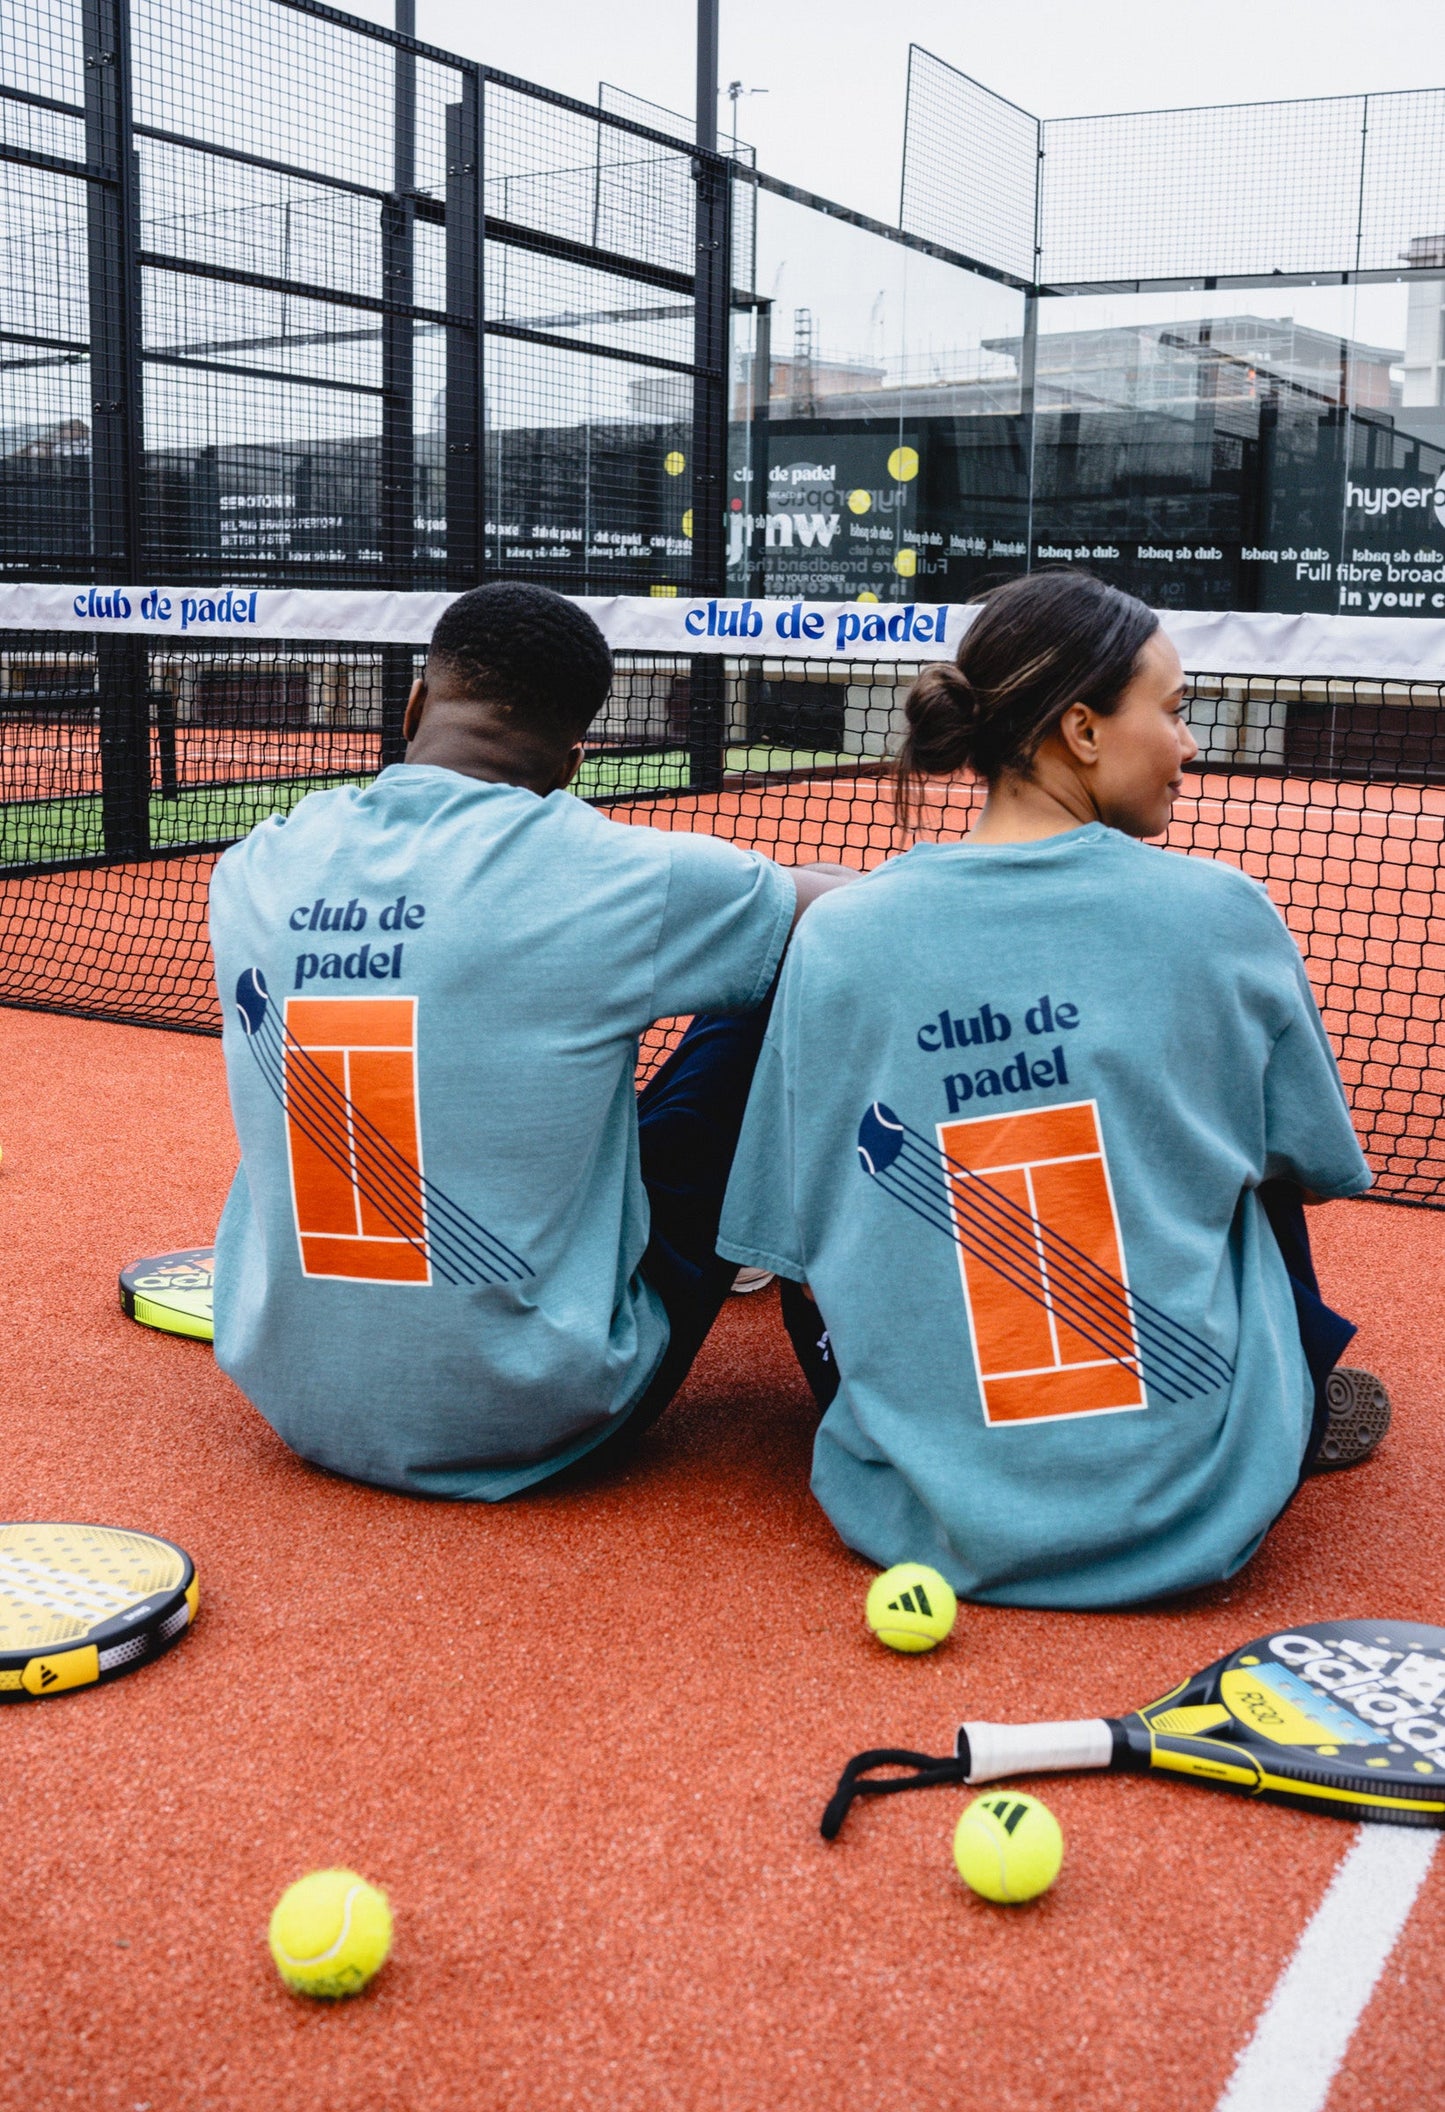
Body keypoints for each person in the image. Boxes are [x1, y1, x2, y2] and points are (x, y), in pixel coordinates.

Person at [718, 571, 1389, 1609]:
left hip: (912, 1508)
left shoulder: (840, 934)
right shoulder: (1221, 914)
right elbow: (1307, 1161)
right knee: (1243, 1150)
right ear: (1080, 729)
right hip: (1194, 1506)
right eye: (1172, 712)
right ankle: (1279, 1394)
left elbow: (786, 1234)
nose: (1189, 743)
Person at [209, 583, 851, 1497]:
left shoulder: (254, 866)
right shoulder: (615, 873)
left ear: (415, 705)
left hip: (293, 1396)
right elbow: (863, 916)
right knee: (780, 975)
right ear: (572, 761)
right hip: (535, 1412)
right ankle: (833, 1289)